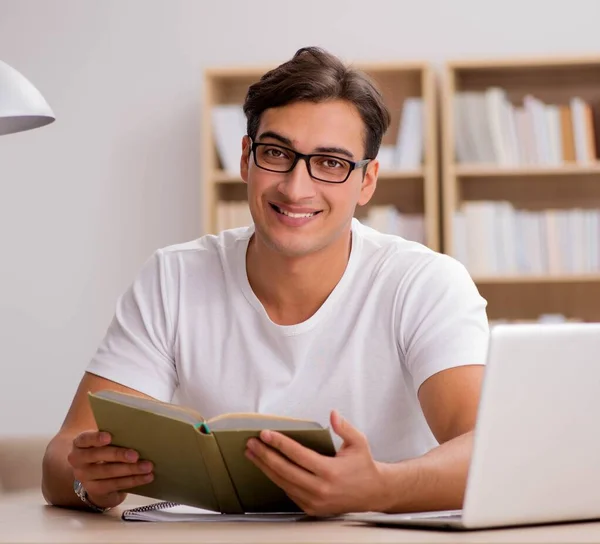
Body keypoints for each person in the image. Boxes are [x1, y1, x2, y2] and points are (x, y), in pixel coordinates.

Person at [41, 46, 489, 517]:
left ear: (367, 181)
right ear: (245, 160)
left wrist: (381, 487)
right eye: (276, 153)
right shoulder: (173, 278)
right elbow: (62, 455)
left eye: (331, 163)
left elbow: (486, 447)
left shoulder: (424, 283)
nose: (296, 188)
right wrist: (86, 481)